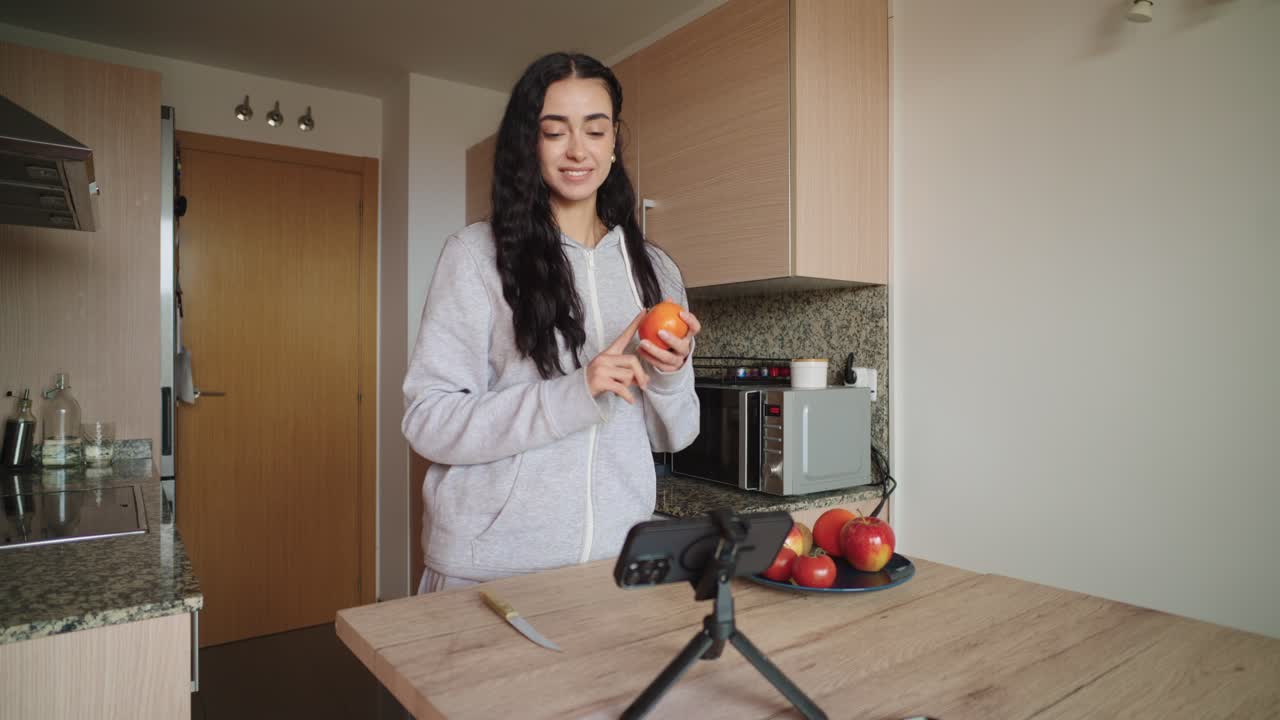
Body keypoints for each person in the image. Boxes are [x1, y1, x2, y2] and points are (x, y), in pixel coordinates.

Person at [403, 52, 701, 593]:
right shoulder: (475, 256)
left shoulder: (655, 272)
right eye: (555, 131)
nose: (578, 150)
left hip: (613, 566)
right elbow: (429, 421)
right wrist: (576, 391)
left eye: (595, 130)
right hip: (490, 568)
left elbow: (674, 435)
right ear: (530, 143)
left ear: (614, 142)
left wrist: (670, 375)